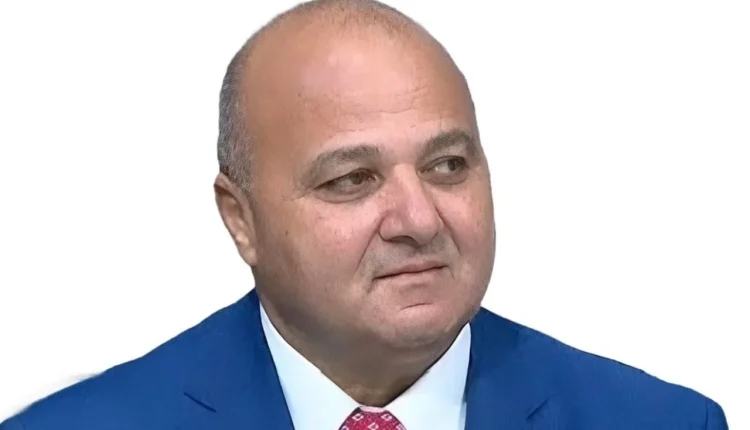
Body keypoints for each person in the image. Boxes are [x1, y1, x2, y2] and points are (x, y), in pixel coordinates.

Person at [0, 1, 728, 429]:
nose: (419, 218)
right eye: (352, 179)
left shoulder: (662, 423)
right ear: (240, 219)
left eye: (448, 166)